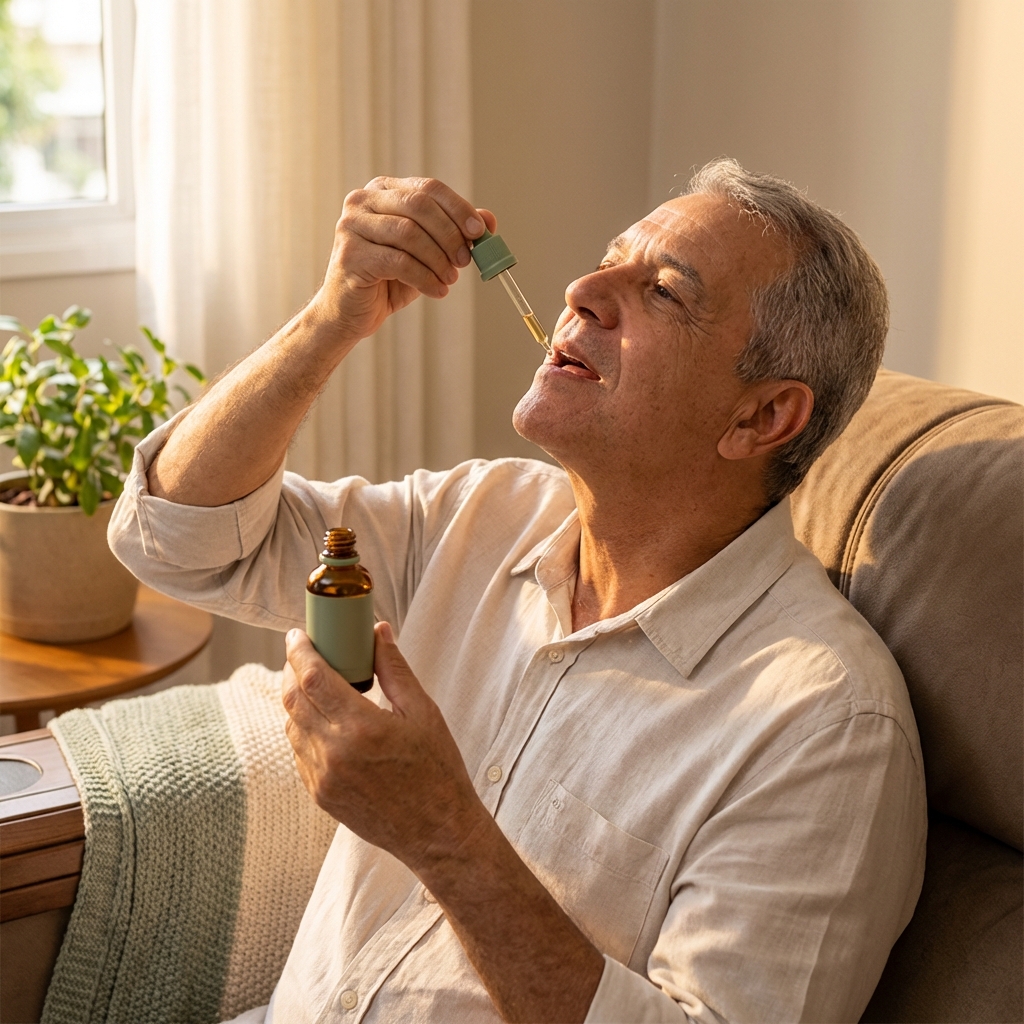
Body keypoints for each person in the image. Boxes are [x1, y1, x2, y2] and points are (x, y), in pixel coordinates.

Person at [108, 158, 927, 1024]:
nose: (581, 289)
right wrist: (332, 315)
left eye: (664, 293)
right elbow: (176, 541)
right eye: (609, 258)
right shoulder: (482, 514)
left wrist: (445, 838)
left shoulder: (826, 726)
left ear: (762, 418)